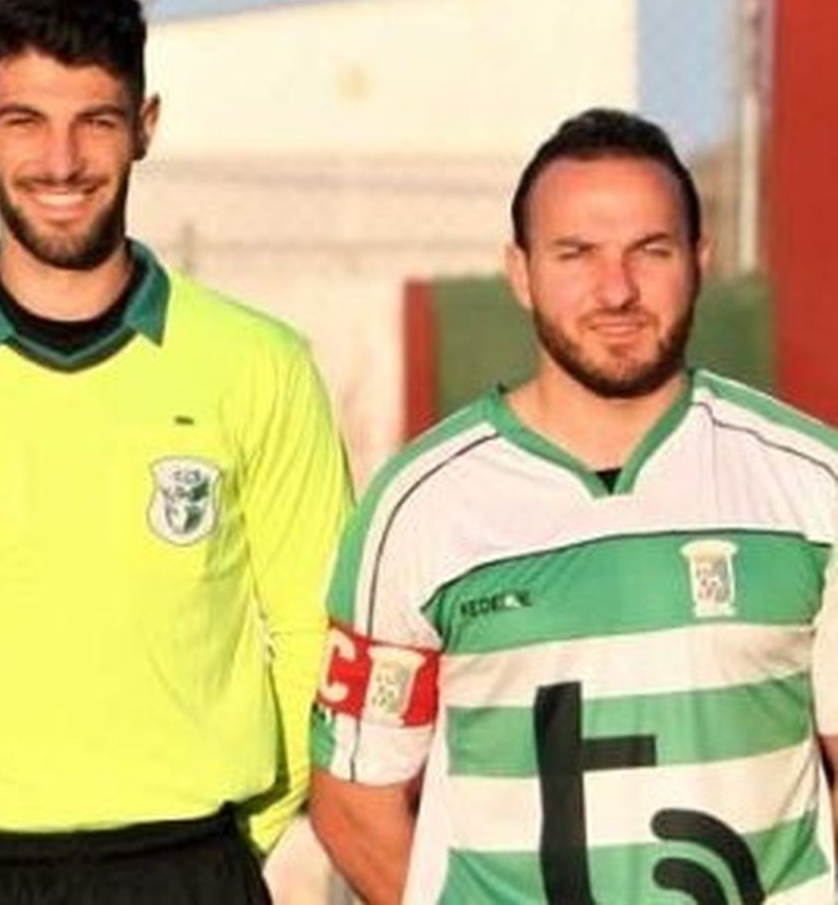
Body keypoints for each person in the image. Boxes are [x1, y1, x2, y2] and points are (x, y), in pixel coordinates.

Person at [0, 0, 353, 905]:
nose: (61, 162)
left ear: (145, 126)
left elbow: (318, 630)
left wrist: (229, 847)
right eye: (25, 121)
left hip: (187, 865)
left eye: (94, 121)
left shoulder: (259, 363)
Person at [309, 108, 838, 903]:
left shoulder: (812, 482)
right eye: (576, 254)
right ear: (519, 272)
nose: (616, 289)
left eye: (650, 251)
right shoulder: (419, 506)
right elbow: (354, 798)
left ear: (700, 260)